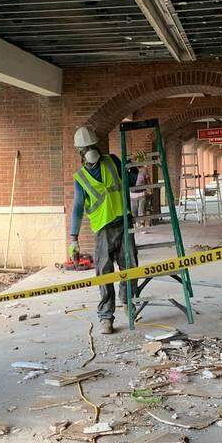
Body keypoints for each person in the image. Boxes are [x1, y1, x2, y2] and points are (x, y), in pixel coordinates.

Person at [69, 126, 137, 334]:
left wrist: (134, 167)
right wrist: (74, 238)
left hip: (124, 222)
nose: (90, 150)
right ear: (80, 152)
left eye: (92, 146)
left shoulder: (112, 160)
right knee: (104, 273)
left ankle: (128, 304)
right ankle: (106, 317)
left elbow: (130, 182)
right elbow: (78, 208)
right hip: (103, 230)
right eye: (86, 147)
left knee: (130, 267)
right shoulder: (80, 177)